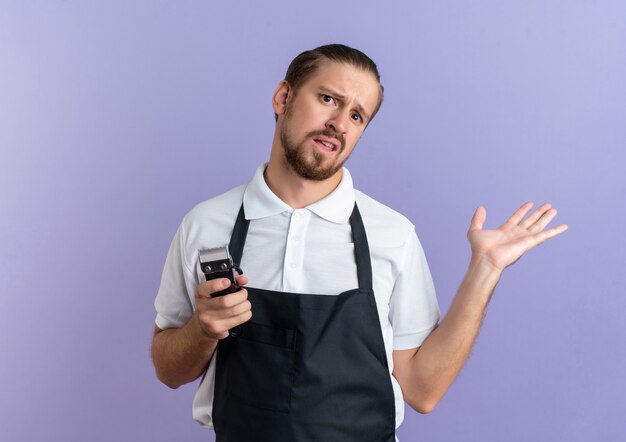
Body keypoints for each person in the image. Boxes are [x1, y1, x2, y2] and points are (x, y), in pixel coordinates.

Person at [150, 44, 568, 441]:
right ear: (283, 97)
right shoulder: (206, 224)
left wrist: (485, 271)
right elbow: (169, 370)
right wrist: (202, 330)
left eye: (357, 116)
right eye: (329, 99)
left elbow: (423, 390)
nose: (339, 123)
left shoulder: (392, 235)